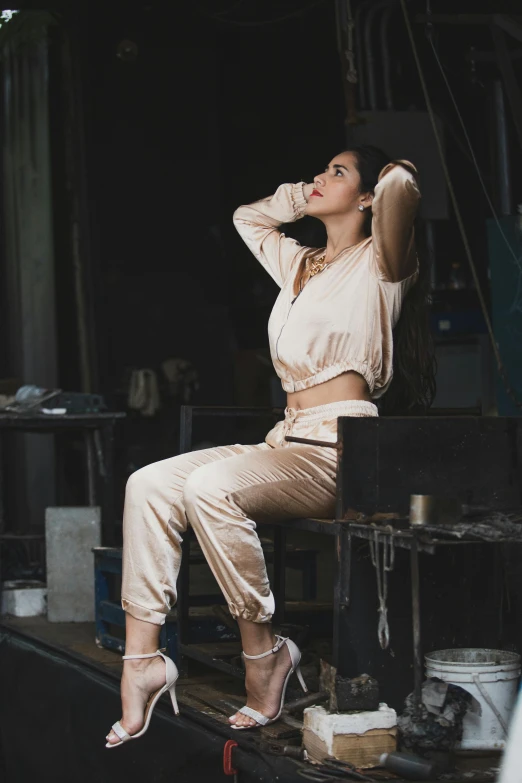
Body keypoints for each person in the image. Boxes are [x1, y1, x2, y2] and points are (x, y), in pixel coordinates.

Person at [106, 145, 435, 745]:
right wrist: (302, 195)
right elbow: (247, 219)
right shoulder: (301, 266)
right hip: (286, 439)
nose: (318, 177)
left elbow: (402, 195)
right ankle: (143, 660)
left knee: (210, 489)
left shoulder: (385, 264)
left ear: (366, 197)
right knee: (148, 484)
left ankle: (267, 654)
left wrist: (392, 172)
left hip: (341, 449)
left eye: (336, 173)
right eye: (320, 169)